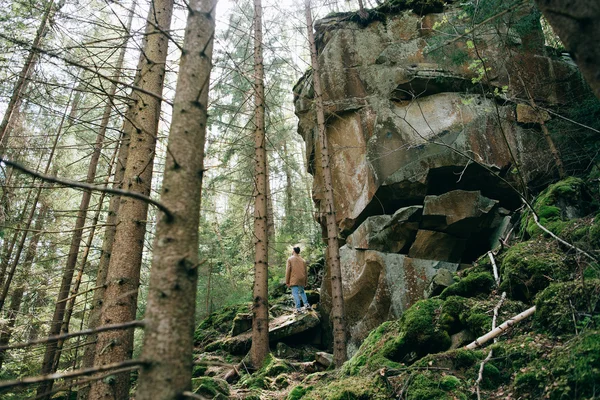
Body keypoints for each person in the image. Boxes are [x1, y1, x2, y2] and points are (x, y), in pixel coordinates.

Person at [285, 246, 311, 314]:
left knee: (295, 293)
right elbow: (306, 272)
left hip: (294, 279)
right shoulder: (303, 260)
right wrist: (306, 281)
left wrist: (287, 281)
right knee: (302, 292)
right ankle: (306, 304)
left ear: (293, 251)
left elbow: (288, 271)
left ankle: (298, 308)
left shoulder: (290, 259)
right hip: (302, 278)